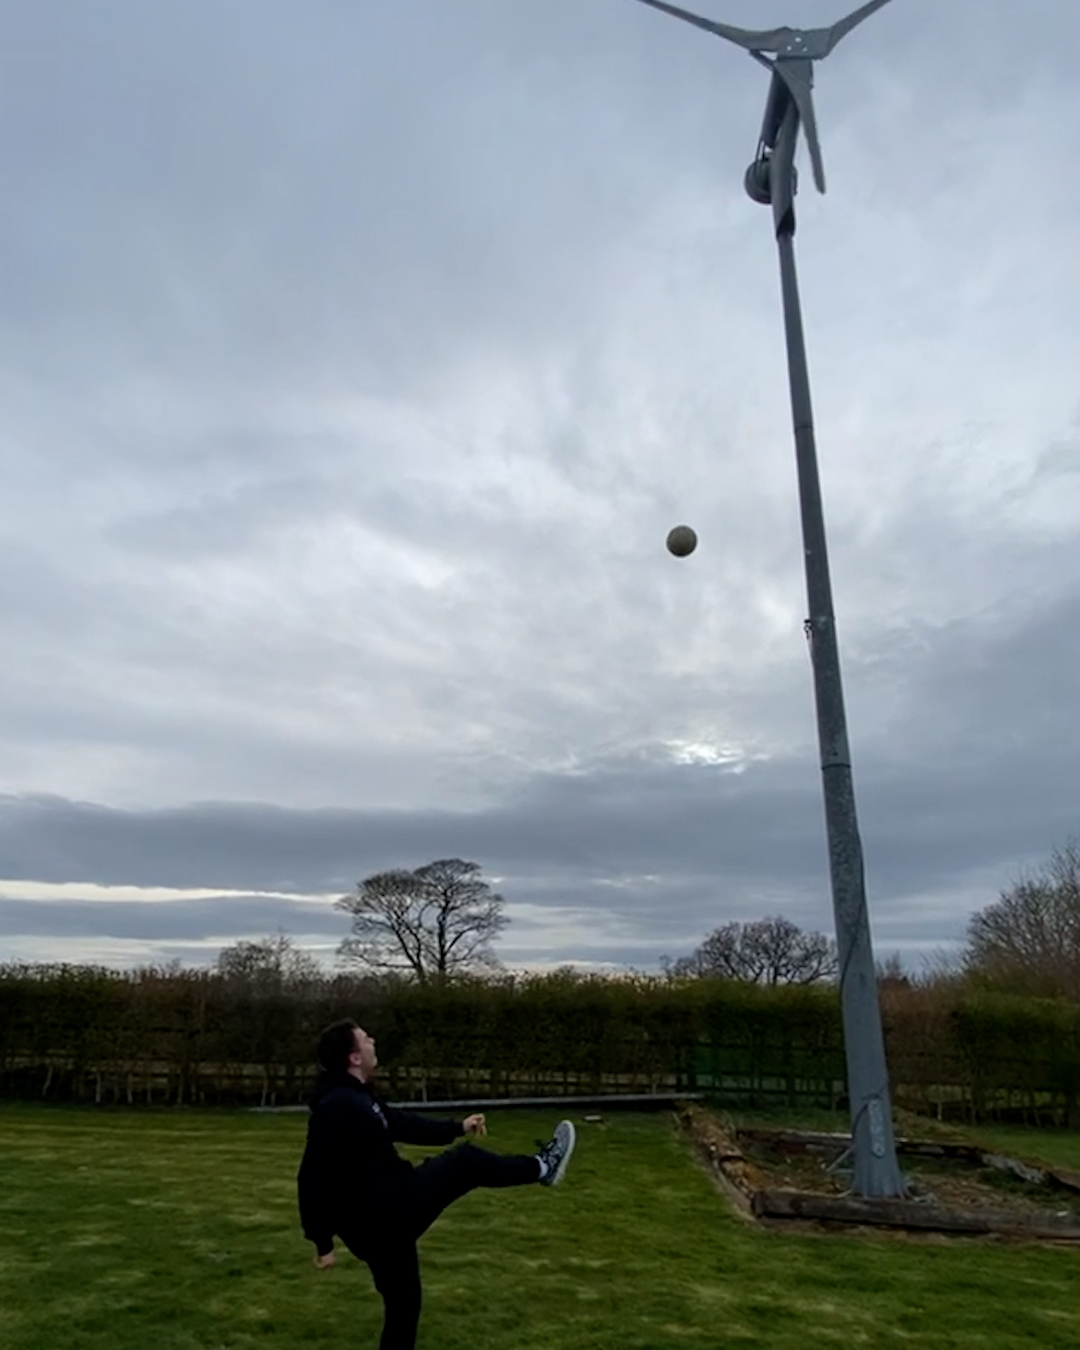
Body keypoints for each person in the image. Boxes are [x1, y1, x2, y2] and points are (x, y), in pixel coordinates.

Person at [297, 1018, 575, 1349]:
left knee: (404, 1307)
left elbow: (403, 1124)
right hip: (386, 1213)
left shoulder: (358, 1098)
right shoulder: (338, 1105)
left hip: (378, 1225)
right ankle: (544, 1166)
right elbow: (313, 1174)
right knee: (466, 1163)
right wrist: (321, 1241)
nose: (373, 1040)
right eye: (366, 1038)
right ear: (354, 1057)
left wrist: (457, 1127)